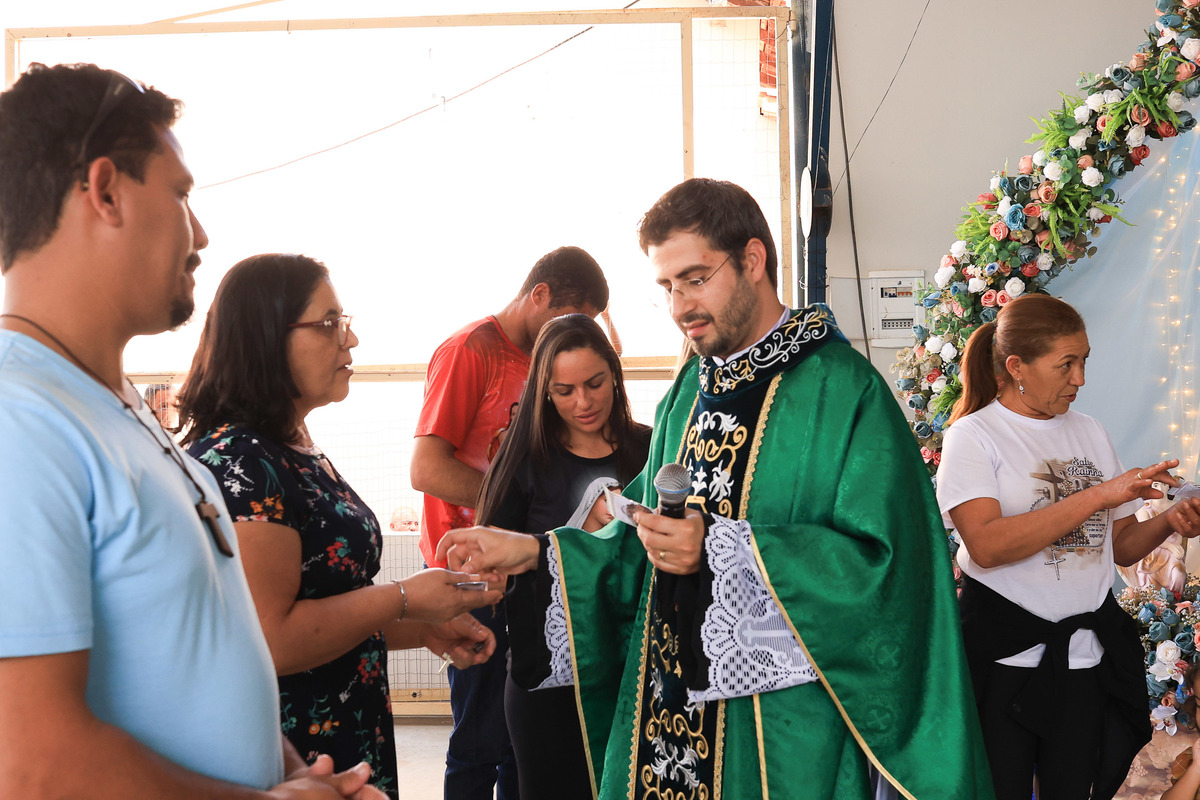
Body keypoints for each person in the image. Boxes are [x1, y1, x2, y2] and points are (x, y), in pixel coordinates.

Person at [437, 178, 993, 799]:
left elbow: (893, 571)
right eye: (667, 287)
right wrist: (537, 551)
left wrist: (724, 550)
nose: (680, 306)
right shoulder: (687, 393)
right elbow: (638, 534)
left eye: (695, 279)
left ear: (753, 260)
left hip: (779, 736)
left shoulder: (843, 391)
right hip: (666, 721)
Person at [0, 62, 384, 799]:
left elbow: (204, 656)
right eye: (180, 194)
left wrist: (301, 777)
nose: (200, 233)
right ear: (105, 191)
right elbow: (32, 764)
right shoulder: (23, 420)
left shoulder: (116, 407)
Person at [178, 253, 502, 799]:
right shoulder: (242, 461)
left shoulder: (289, 447)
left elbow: (331, 606)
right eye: (328, 323)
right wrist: (405, 597)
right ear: (266, 337)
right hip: (292, 764)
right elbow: (272, 637)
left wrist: (424, 628)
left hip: (343, 741)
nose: (349, 339)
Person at [937, 293, 1200, 800]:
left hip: (1084, 659)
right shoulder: (974, 435)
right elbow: (986, 546)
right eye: (1066, 364)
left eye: (1084, 362)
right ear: (1016, 366)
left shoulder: (1090, 432)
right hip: (1004, 661)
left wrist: (1171, 520)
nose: (1079, 379)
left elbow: (1120, 546)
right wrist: (1100, 494)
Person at [411, 244, 609, 799]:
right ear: (538, 295)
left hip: (534, 573)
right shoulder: (471, 350)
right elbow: (426, 469)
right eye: (570, 317)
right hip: (474, 574)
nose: (573, 334)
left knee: (525, 745)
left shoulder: (546, 364)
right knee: (480, 739)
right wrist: (510, 509)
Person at [474, 313, 651, 799]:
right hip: (548, 680)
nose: (584, 402)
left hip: (633, 675)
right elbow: (493, 564)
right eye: (564, 391)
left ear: (615, 373)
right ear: (544, 392)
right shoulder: (525, 460)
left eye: (595, 383)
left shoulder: (650, 448)